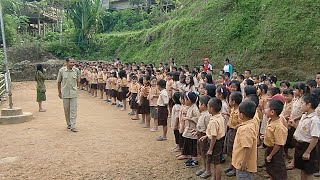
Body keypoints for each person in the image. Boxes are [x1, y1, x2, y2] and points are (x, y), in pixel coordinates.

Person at [290, 94, 320, 180]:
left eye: (302, 103)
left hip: (308, 147)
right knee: (302, 169)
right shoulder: (304, 115)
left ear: (309, 105)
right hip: (300, 145)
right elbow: (303, 131)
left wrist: (307, 152)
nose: (300, 105)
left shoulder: (314, 120)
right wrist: (294, 125)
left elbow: (315, 138)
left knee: (308, 171)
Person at [199, 97, 225, 180]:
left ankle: (217, 178)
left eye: (208, 106)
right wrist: (206, 135)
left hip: (215, 143)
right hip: (219, 140)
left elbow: (214, 136)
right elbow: (214, 132)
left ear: (211, 108)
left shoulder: (213, 121)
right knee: (215, 162)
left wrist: (210, 149)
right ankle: (214, 177)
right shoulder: (219, 116)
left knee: (216, 163)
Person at [232, 101, 258, 180]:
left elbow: (247, 147)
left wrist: (244, 162)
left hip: (243, 164)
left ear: (241, 115)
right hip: (244, 162)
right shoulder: (251, 123)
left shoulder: (245, 129)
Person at [264, 99, 288, 180]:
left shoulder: (278, 127)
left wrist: (271, 155)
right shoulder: (270, 120)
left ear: (272, 112)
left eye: (266, 108)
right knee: (270, 166)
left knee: (278, 168)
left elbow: (278, 144)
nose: (264, 109)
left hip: (276, 151)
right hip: (270, 148)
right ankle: (272, 177)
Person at [57, 57, 80, 132]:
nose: (72, 64)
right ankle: (69, 124)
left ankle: (73, 125)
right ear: (66, 62)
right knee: (66, 110)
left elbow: (78, 81)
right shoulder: (61, 71)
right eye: (71, 62)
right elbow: (59, 82)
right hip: (65, 93)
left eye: (73, 62)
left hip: (73, 93)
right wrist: (59, 92)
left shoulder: (76, 71)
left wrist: (77, 89)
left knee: (73, 110)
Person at [224, 91, 242, 177]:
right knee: (230, 148)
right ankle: (232, 165)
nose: (228, 102)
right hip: (230, 130)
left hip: (235, 132)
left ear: (233, 102)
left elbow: (241, 123)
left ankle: (235, 168)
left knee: (234, 150)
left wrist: (236, 127)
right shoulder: (233, 109)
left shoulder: (239, 112)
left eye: (229, 100)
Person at [194, 95, 211, 178]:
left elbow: (208, 128)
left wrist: (206, 136)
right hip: (200, 135)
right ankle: (203, 167)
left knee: (205, 153)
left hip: (204, 136)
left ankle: (208, 170)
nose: (198, 106)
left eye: (199, 104)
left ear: (204, 106)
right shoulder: (202, 114)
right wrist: (197, 132)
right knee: (201, 153)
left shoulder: (207, 115)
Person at [182, 91, 200, 168]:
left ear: (189, 100)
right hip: (189, 129)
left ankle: (195, 160)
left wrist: (188, 118)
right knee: (190, 144)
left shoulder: (195, 109)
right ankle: (192, 158)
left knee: (194, 146)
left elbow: (198, 118)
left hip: (193, 130)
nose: (185, 101)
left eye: (186, 99)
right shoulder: (190, 107)